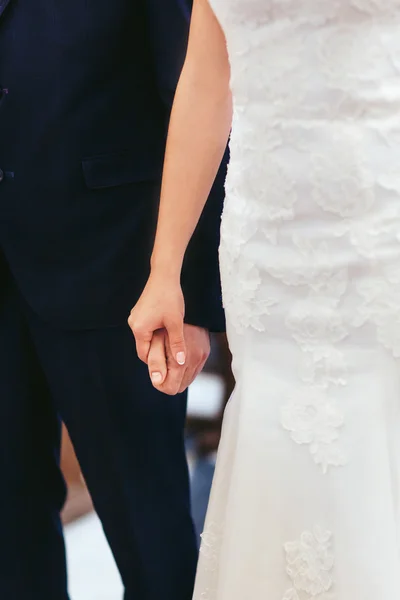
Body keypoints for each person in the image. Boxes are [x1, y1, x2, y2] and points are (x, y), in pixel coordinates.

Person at [130, 0, 400, 598]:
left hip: (383, 235)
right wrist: (164, 267)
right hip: (268, 254)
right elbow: (205, 78)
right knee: (278, 443)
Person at [0, 2, 226, 599]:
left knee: (150, 534)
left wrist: (196, 298)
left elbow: (197, 94)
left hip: (117, 278)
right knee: (10, 523)